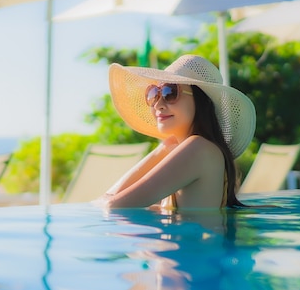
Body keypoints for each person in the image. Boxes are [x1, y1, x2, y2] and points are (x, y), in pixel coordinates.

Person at [99, 54, 256, 209]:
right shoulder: (202, 149)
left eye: (170, 92)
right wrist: (164, 149)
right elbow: (109, 200)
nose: (158, 105)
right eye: (154, 94)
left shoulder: (199, 149)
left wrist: (161, 151)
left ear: (201, 101)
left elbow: (112, 205)